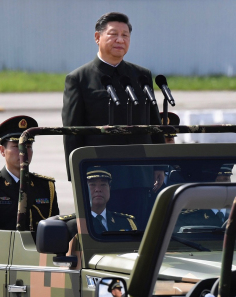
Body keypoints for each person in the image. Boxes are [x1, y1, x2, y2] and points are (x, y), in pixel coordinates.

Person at [61, 11, 165, 190]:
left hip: (140, 173)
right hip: (100, 176)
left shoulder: (141, 76)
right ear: (97, 37)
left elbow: (154, 124)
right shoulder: (79, 79)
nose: (120, 40)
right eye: (113, 34)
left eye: (125, 35)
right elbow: (72, 133)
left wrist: (160, 165)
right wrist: (76, 175)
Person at [0, 116, 60, 230]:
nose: (23, 151)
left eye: (28, 146)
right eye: (16, 146)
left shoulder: (46, 186)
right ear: (2, 151)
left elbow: (55, 230)